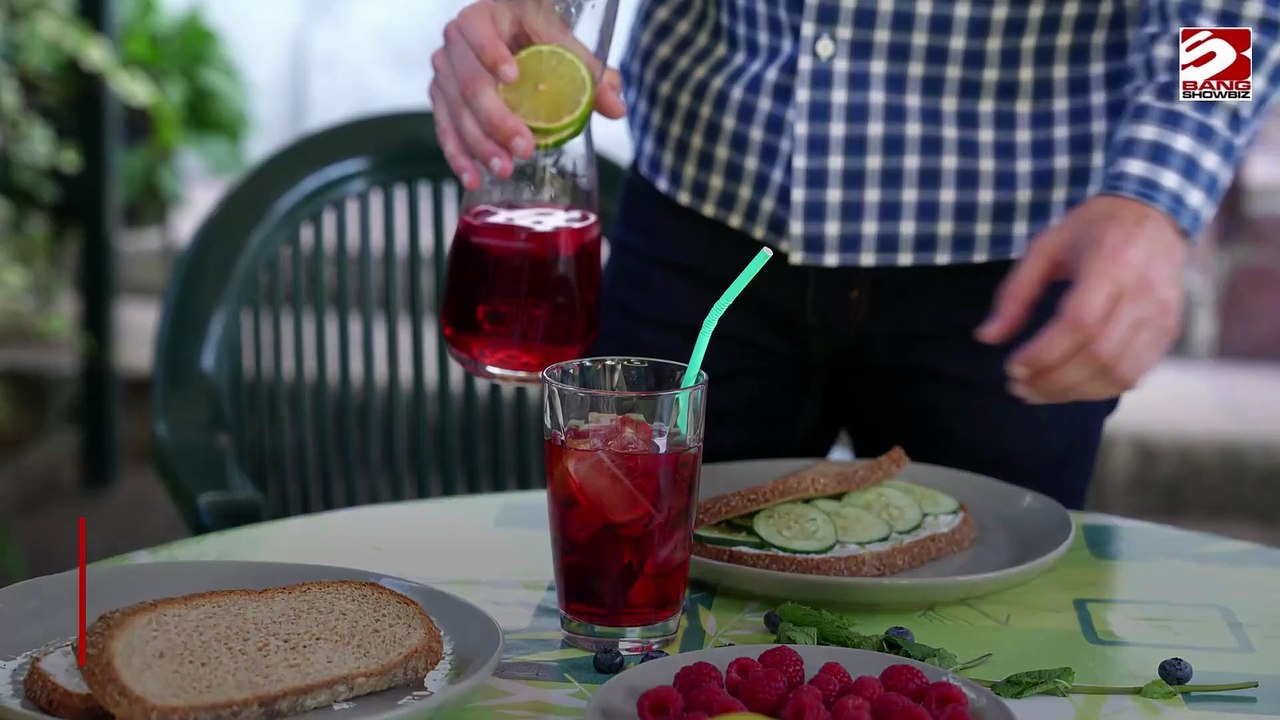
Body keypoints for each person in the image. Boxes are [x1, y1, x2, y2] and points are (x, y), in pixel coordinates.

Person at [429, 1, 1280, 510]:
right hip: (701, 229)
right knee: (635, 611)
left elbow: (1233, 13)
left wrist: (1159, 194)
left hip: (1007, 270)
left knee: (996, 648)